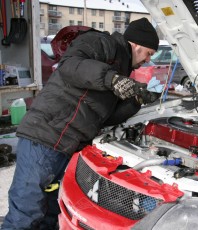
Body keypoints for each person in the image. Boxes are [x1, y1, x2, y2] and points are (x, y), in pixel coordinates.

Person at [1, 17, 160, 229]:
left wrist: (134, 103)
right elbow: (71, 66)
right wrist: (112, 80)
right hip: (45, 136)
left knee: (51, 211)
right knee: (25, 212)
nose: (148, 60)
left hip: (67, 145)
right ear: (136, 44)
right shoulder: (102, 43)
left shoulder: (121, 69)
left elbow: (104, 116)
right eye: (148, 53)